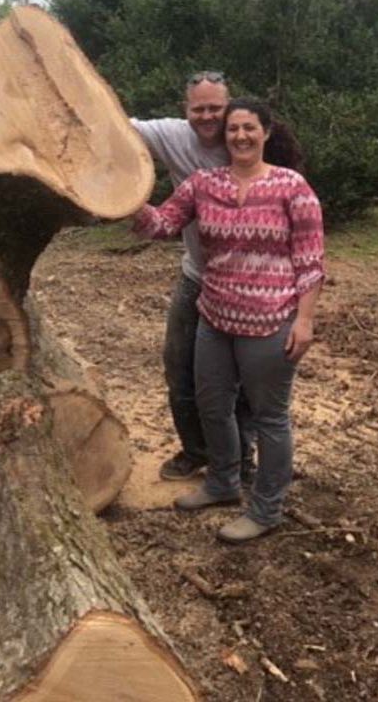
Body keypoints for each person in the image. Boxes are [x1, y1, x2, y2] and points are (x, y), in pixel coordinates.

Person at [133, 98, 324, 544]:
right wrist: (127, 199)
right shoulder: (204, 184)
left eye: (249, 128)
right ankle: (222, 482)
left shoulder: (291, 187)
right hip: (214, 318)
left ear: (266, 133)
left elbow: (311, 260)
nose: (240, 136)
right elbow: (162, 224)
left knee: (269, 417)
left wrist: (305, 320)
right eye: (233, 129)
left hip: (270, 322)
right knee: (213, 405)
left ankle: (266, 508)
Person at [131, 73, 254, 483]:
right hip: (196, 274)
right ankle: (196, 450)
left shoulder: (244, 137)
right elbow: (113, 127)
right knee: (178, 366)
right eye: (198, 108)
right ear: (185, 110)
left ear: (228, 105)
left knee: (240, 376)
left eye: (215, 108)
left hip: (247, 284)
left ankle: (244, 458)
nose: (207, 116)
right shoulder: (171, 135)